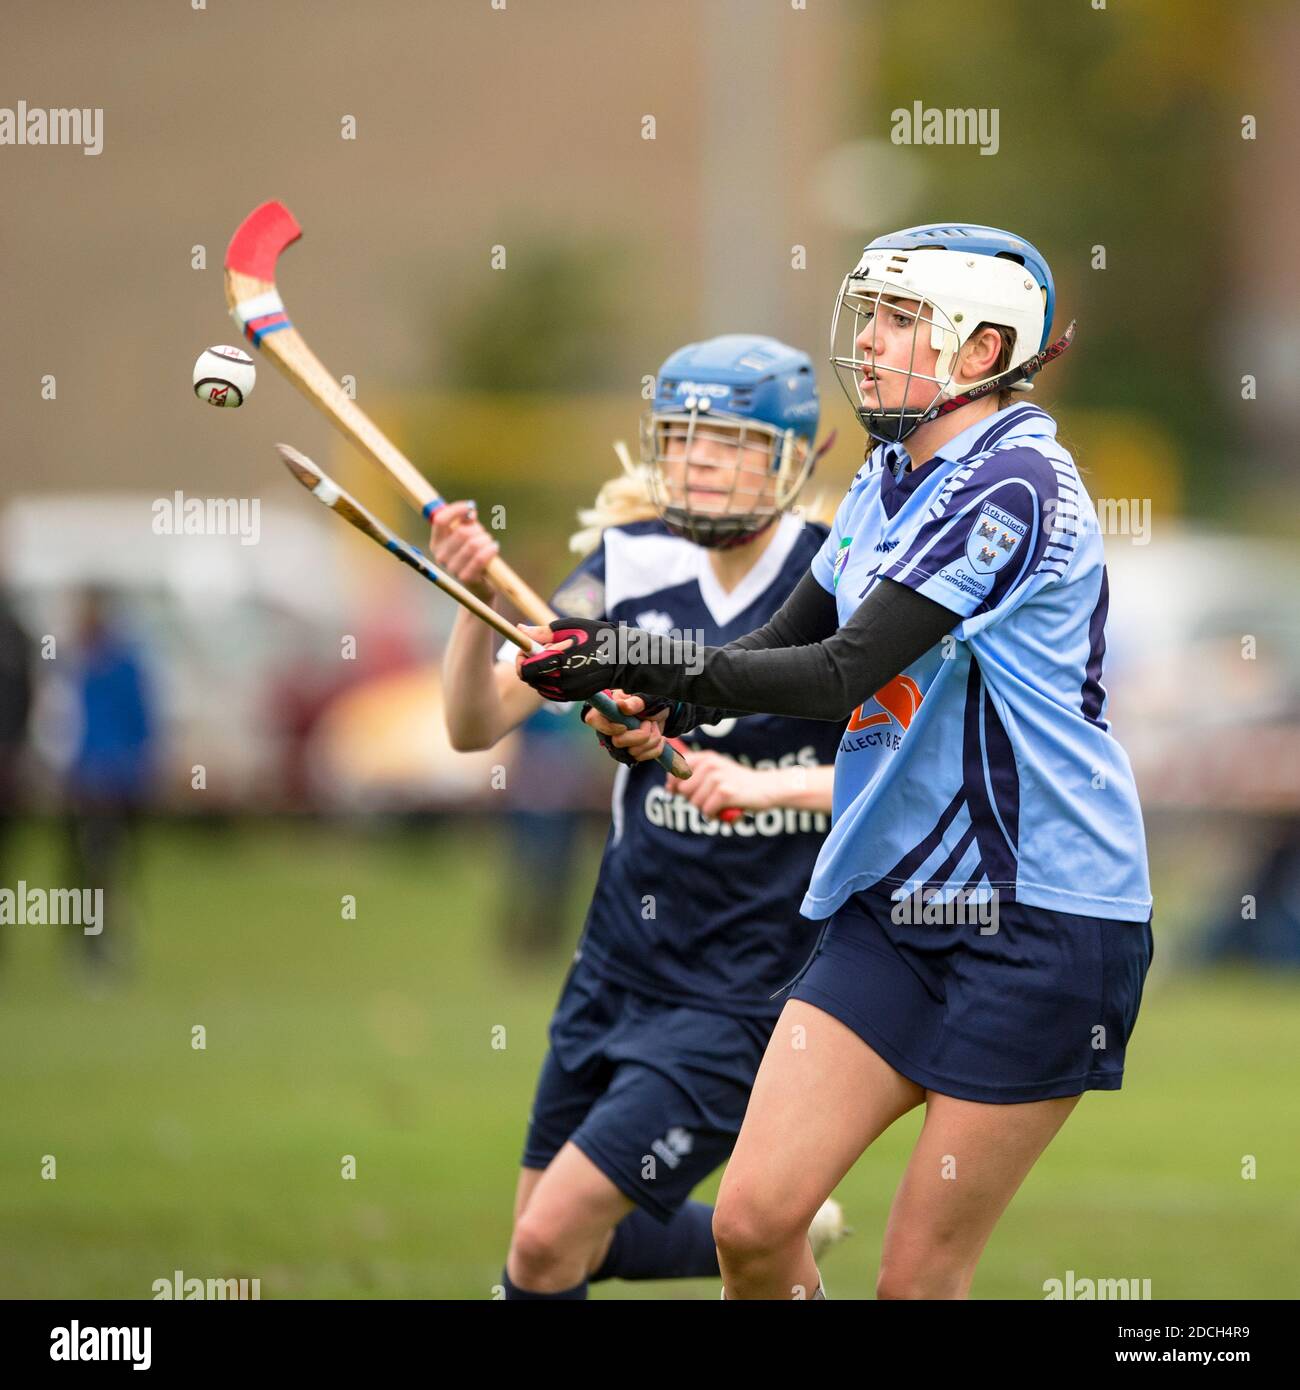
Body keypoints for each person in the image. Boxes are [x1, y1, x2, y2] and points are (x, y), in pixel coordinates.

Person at [515, 225, 1155, 1300]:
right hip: (891, 905)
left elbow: (838, 674)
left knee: (913, 1283)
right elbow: (775, 645)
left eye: (899, 320)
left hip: (1039, 919)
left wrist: (640, 653)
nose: (867, 340)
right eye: (868, 315)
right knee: (756, 1224)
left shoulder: (1012, 483)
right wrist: (645, 681)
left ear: (979, 347)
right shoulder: (883, 474)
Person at [433, 334, 845, 1299]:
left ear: (792, 456)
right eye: (678, 436)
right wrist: (470, 602)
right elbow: (474, 724)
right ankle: (776, 1243)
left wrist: (766, 787)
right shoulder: (626, 562)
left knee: (540, 1248)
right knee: (568, 1246)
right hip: (616, 961)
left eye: (725, 439)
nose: (694, 459)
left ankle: (770, 1239)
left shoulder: (842, 582)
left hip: (751, 984)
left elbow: (915, 774)